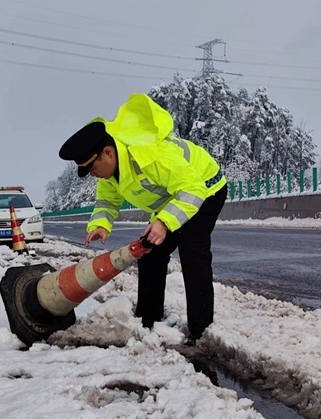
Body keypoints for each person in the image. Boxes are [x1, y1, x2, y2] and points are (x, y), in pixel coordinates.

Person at [58, 93, 227, 345]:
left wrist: (164, 222)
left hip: (205, 188)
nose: (94, 175)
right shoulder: (111, 172)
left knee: (193, 251)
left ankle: (201, 332)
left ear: (107, 152)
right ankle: (149, 321)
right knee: (150, 253)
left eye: (93, 168)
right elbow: (107, 201)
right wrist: (101, 224)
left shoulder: (150, 154)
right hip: (175, 198)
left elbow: (193, 189)